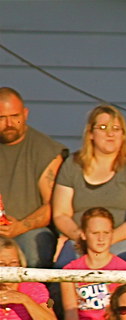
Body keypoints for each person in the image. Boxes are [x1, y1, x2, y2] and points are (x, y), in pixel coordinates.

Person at [51, 104, 126, 267]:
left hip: (124, 241)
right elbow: (61, 214)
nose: (110, 134)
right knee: (64, 266)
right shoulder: (73, 165)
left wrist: (103, 242)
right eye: (103, 127)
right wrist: (81, 237)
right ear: (90, 133)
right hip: (81, 240)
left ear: (123, 135)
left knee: (108, 265)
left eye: (116, 128)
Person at [0, 87, 66, 268]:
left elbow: (53, 205)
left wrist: (20, 227)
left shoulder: (46, 149)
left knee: (37, 246)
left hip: (28, 230)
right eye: (2, 118)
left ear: (25, 113)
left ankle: (37, 295)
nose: (9, 123)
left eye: (15, 116)